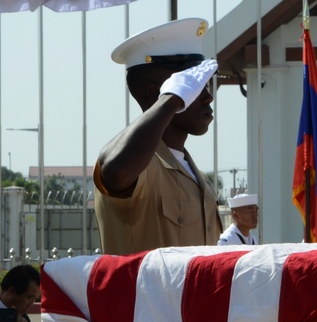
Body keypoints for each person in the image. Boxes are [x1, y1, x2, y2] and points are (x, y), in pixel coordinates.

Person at [94, 18, 222, 255]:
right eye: (194, 86)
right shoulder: (141, 167)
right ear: (157, 94)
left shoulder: (195, 177)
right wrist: (173, 99)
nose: (208, 97)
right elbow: (113, 170)